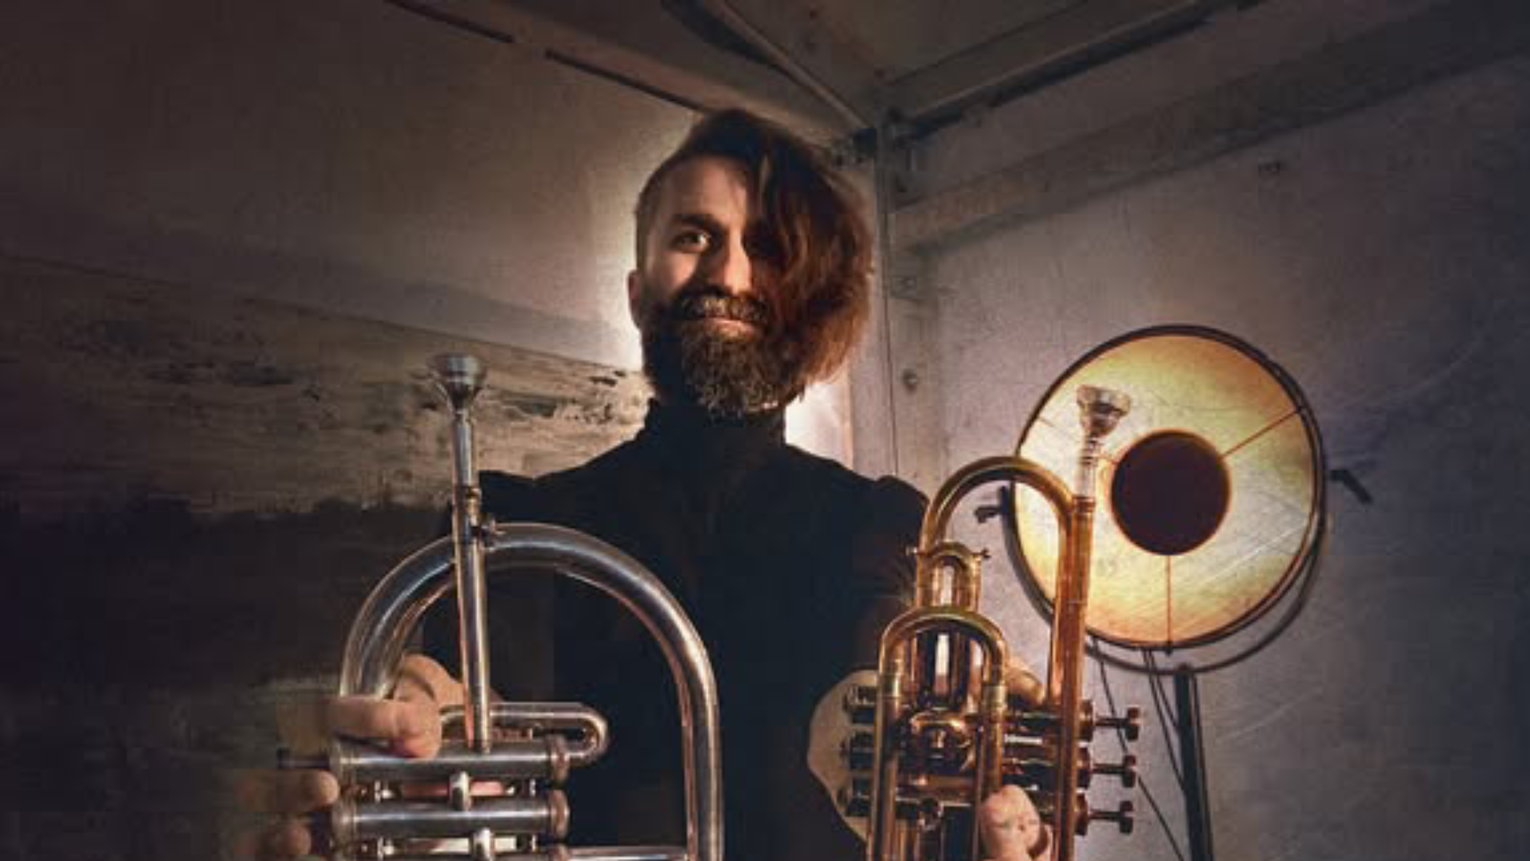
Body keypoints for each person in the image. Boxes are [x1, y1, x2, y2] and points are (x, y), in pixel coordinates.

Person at [244, 109, 1049, 861]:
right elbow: (460, 700)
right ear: (636, 293)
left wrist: (1003, 810)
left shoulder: (886, 523)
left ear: (804, 292)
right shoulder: (520, 524)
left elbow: (935, 791)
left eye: (766, 248)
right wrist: (420, 718)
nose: (729, 271)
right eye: (694, 237)